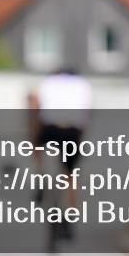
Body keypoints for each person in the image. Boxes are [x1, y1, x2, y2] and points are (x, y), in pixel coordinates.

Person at [31, 66, 92, 236]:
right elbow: (86, 113)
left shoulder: (48, 82)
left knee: (35, 144)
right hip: (72, 132)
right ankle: (69, 217)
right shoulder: (82, 84)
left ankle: (41, 175)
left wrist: (34, 130)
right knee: (70, 176)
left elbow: (35, 105)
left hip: (50, 129)